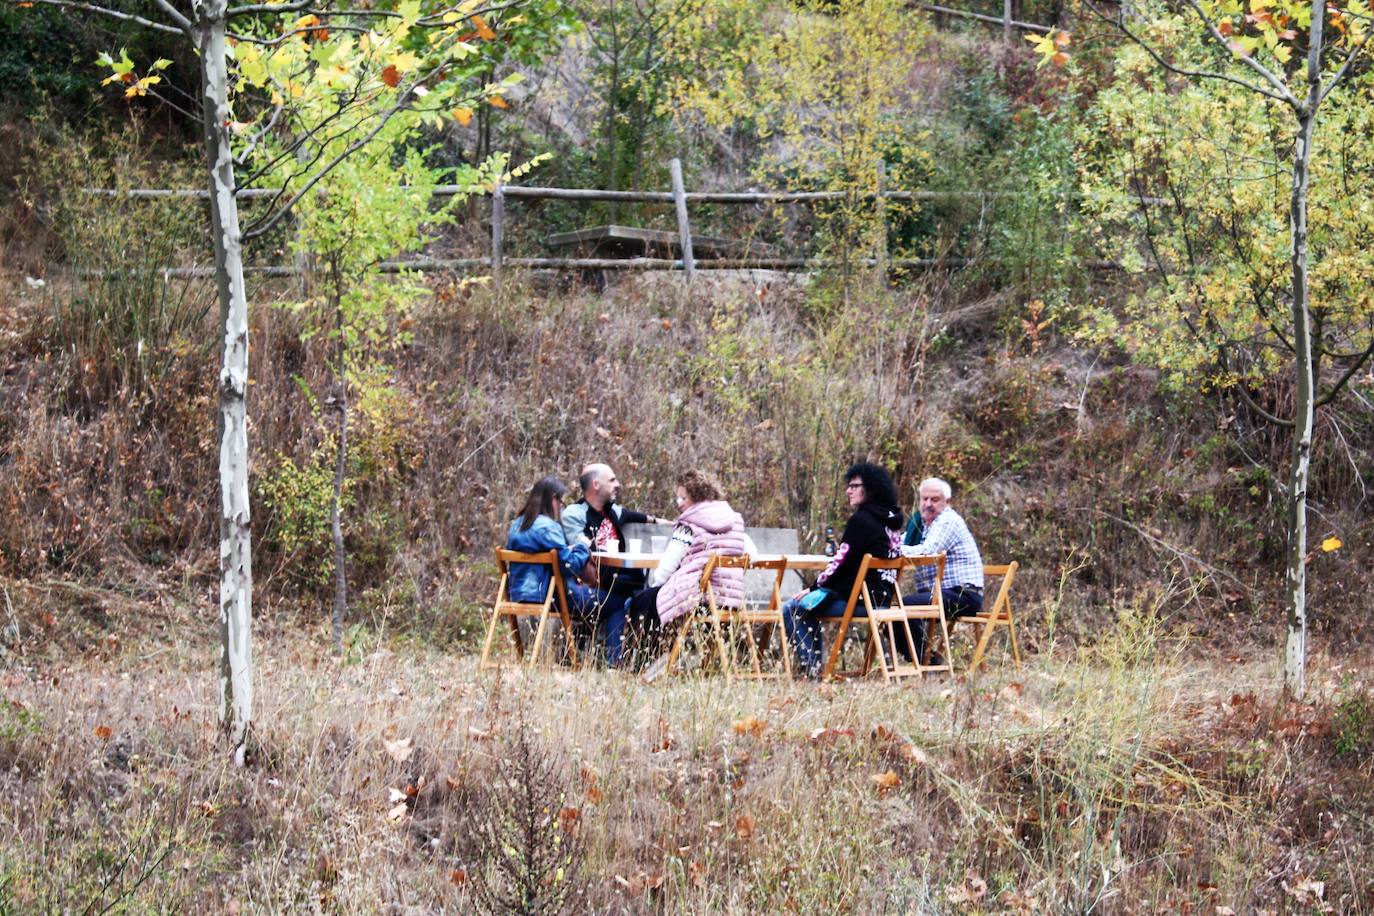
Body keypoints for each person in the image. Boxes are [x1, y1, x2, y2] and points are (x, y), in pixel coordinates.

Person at [620, 469, 757, 671]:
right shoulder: (734, 521)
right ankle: (660, 661)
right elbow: (751, 556)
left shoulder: (688, 525)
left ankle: (642, 664)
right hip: (729, 601)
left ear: (697, 496)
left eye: (683, 497)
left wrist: (658, 586)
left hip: (696, 600)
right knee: (652, 600)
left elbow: (663, 573)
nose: (678, 502)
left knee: (640, 601)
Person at [782, 463, 905, 678]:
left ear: (871, 488)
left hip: (859, 602)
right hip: (882, 600)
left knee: (794, 608)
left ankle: (812, 670)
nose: (848, 490)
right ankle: (814, 668)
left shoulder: (862, 521)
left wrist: (814, 587)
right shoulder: (890, 523)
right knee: (808, 605)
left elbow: (840, 563)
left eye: (854, 486)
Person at [560, 462, 667, 665]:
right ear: (596, 485)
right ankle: (616, 661)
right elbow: (579, 549)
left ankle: (628, 658)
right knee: (620, 600)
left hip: (623, 577)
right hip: (593, 579)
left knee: (641, 593)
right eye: (612, 480)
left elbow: (633, 515)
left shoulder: (612, 511)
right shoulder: (575, 514)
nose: (617, 484)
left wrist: (661, 522)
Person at [899, 477, 984, 662]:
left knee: (901, 608)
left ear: (947, 502)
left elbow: (928, 551)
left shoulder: (947, 521)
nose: (928, 504)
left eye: (934, 499)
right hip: (940, 594)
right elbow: (901, 542)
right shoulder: (923, 525)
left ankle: (926, 661)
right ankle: (929, 660)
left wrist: (890, 552)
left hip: (963, 594)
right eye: (924, 499)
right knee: (891, 610)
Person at [505, 476, 596, 628]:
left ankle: (578, 646)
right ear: (554, 499)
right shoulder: (548, 527)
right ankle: (610, 652)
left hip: (518, 594)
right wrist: (582, 547)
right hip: (549, 596)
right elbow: (569, 565)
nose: (561, 507)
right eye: (561, 503)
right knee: (616, 602)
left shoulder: (516, 524)